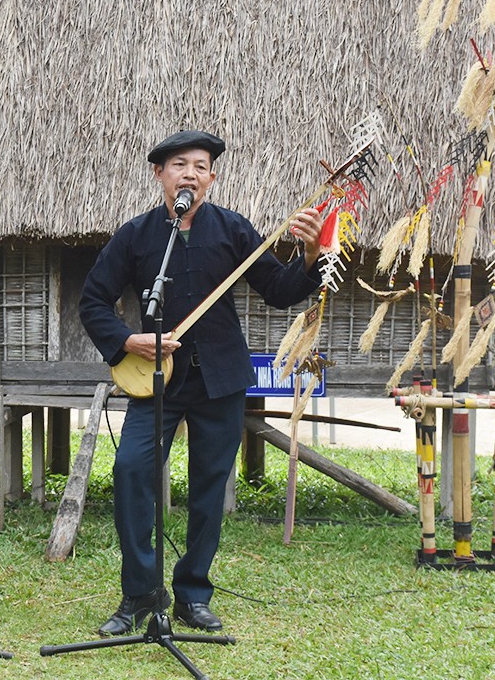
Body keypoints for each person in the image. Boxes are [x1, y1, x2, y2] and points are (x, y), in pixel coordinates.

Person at [79, 130, 324, 636]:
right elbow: (93, 301)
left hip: (221, 378)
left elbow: (279, 291)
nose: (189, 173)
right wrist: (128, 340)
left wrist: (307, 256)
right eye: (178, 164)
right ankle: (140, 593)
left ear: (211, 177)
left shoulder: (233, 229)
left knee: (210, 487)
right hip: (158, 382)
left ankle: (193, 594)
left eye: (200, 166)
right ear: (159, 174)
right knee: (131, 471)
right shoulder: (136, 235)